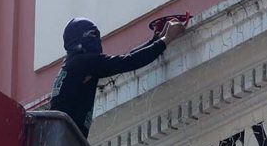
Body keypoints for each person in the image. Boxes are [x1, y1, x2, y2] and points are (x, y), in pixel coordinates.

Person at [48, 17, 185, 137]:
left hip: (60, 137)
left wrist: (156, 40)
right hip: (66, 139)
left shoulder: (74, 63)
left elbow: (125, 58)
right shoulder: (83, 62)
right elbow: (128, 61)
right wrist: (165, 40)